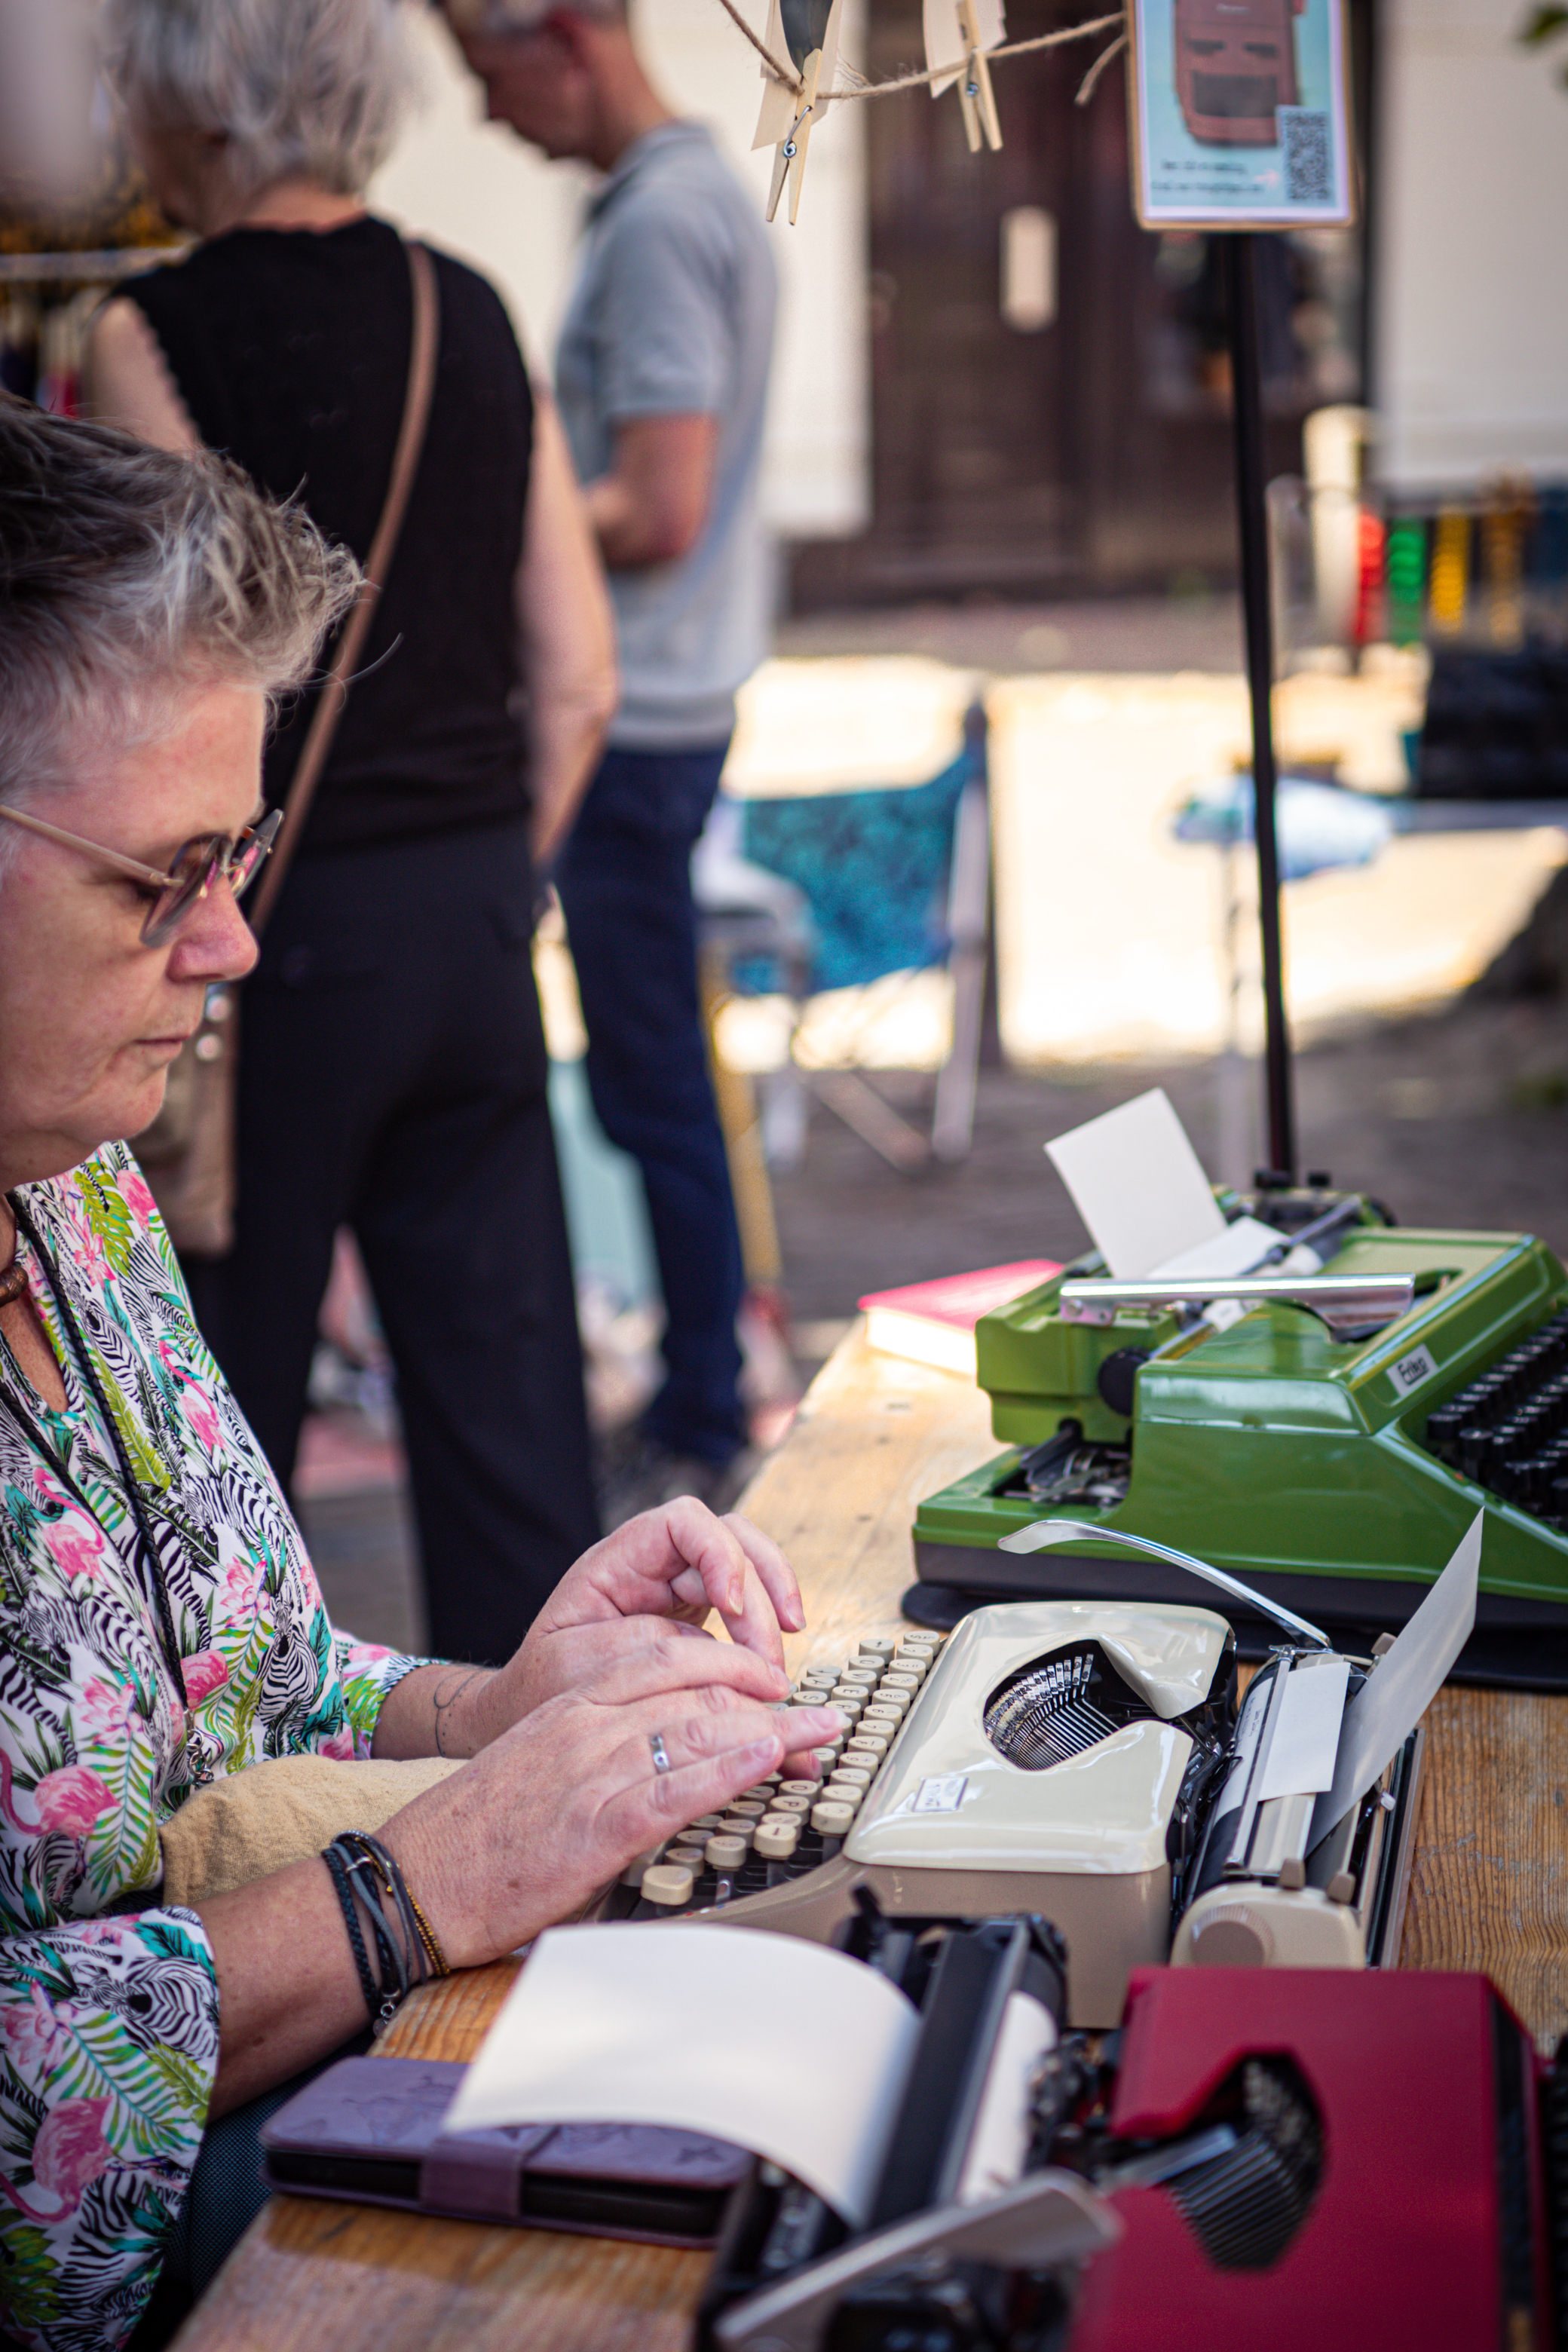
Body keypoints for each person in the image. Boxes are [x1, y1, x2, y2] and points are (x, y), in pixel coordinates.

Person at [0, 398, 840, 2350]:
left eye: (246, 856)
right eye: (162, 877)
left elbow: (257, 1685)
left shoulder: (78, 1185)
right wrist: (412, 1890)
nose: (232, 944)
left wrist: (492, 1705)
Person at [82, 0, 619, 1668]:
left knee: (222, 1415)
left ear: (181, 97)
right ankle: (567, 1777)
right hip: (470, 917)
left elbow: (159, 687)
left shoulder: (144, 329)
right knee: (509, 1410)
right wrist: (490, 870)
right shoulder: (467, 299)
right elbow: (580, 675)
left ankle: (259, 1809)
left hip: (268, 932)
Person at [444, 0, 779, 1516]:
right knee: (657, 1079)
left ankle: (703, 1406)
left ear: (565, 32)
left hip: (634, 720)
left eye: (485, 68)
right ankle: (699, 1383)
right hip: (664, 706)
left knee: (647, 1086)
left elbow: (654, 504)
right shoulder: (684, 195)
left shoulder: (659, 220)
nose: (487, 112)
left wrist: (481, 506)